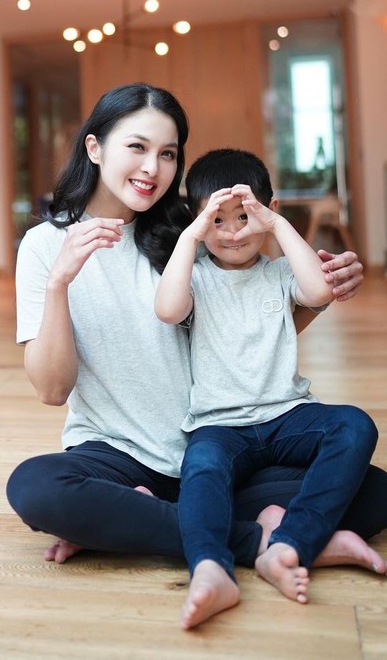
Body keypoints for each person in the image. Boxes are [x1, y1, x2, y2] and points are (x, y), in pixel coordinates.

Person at [6, 83, 387, 590]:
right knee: (35, 487)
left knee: (374, 490)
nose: (152, 168)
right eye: (137, 147)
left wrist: (324, 293)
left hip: (215, 447)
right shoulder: (44, 245)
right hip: (119, 455)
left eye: (167, 154)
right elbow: (53, 390)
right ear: (94, 147)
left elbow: (246, 331)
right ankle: (263, 541)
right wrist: (60, 282)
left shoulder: (193, 233)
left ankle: (136, 523)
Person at [154, 148, 380, 629]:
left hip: (286, 414)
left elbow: (318, 292)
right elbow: (168, 310)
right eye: (217, 220)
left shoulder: (278, 273)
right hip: (220, 425)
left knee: (355, 426)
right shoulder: (196, 277)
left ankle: (290, 544)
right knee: (201, 469)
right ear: (198, 221)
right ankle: (210, 568)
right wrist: (192, 235)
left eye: (246, 217)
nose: (233, 232)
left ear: (267, 211)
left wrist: (276, 225)